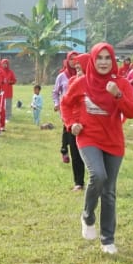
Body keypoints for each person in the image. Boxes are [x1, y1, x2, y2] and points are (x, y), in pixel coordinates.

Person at [60, 42, 133, 254]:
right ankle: (87, 216)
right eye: (99, 58)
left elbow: (132, 112)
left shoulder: (121, 83)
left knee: (109, 192)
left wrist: (118, 95)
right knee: (98, 175)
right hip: (88, 137)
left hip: (113, 141)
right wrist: (71, 124)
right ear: (93, 61)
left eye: (107, 58)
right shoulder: (81, 82)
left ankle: (107, 239)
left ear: (113, 61)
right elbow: (65, 103)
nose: (103, 62)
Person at [52, 51, 86, 190]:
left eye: (80, 66)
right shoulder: (68, 79)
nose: (75, 66)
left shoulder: (95, 83)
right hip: (72, 120)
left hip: (90, 123)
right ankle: (79, 182)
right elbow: (64, 101)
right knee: (75, 152)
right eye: (72, 62)